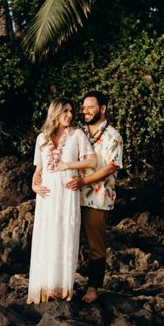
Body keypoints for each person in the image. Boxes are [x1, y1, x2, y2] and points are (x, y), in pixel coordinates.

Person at [27, 100, 97, 303]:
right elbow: (38, 170)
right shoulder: (42, 138)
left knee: (64, 236)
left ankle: (61, 288)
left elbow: (92, 161)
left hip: (67, 193)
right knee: (46, 236)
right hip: (46, 195)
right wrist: (34, 186)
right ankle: (43, 287)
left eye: (71, 111)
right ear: (55, 113)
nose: (69, 115)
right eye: (65, 111)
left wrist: (67, 165)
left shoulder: (77, 135)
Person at [65, 91, 123, 303]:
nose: (85, 111)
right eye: (84, 108)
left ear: (103, 109)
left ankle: (93, 288)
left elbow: (110, 168)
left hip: (97, 199)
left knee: (95, 245)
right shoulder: (77, 132)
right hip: (71, 195)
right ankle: (65, 283)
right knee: (68, 240)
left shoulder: (113, 136)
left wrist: (84, 182)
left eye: (90, 107)